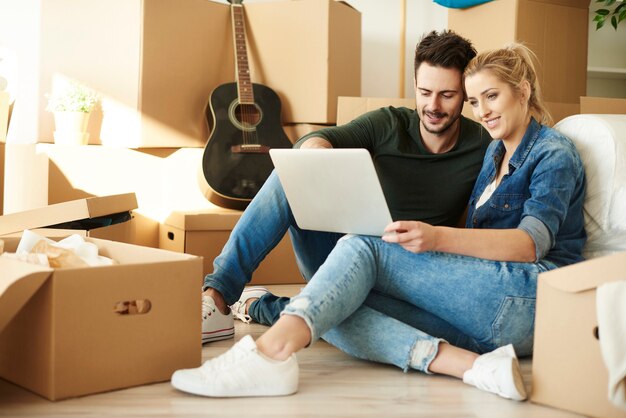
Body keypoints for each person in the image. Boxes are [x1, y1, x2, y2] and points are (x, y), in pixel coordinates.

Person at [171, 43, 586, 401]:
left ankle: (271, 353)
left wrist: (436, 237)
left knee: (363, 245)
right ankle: (473, 367)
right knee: (344, 298)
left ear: (523, 90)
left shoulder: (550, 152)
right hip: (478, 299)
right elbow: (324, 140)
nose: (482, 111)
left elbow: (531, 245)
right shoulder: (494, 154)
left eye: (486, 97)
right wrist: (316, 150)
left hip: (528, 296)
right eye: (478, 102)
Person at [199, 29, 490, 350]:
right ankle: (219, 296)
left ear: (465, 93)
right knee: (293, 169)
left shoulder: (482, 146)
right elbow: (315, 141)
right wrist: (318, 155)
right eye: (424, 92)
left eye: (447, 95)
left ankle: (262, 306)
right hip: (340, 255)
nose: (433, 105)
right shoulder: (388, 123)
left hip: (408, 278)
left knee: (410, 327)